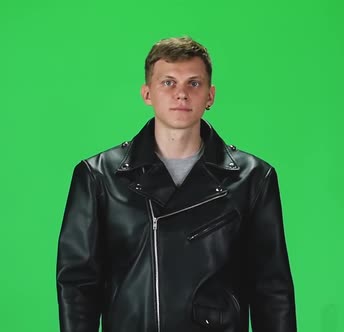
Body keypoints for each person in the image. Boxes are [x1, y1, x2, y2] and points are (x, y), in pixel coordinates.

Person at [56, 36, 296, 332]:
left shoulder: (253, 178)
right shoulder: (99, 177)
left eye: (193, 83)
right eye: (168, 82)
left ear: (210, 95)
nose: (181, 94)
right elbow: (78, 285)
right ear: (147, 94)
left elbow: (271, 289)